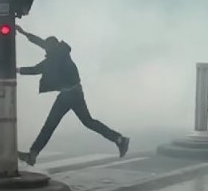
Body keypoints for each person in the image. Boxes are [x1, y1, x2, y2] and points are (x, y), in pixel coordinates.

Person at [14, 25, 129, 166]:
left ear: (51, 48)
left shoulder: (54, 59)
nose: (45, 50)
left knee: (50, 125)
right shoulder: (61, 52)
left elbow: (36, 69)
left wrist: (17, 70)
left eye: (47, 48)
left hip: (69, 96)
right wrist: (24, 33)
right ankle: (119, 139)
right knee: (88, 122)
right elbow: (41, 43)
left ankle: (33, 154)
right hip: (73, 93)